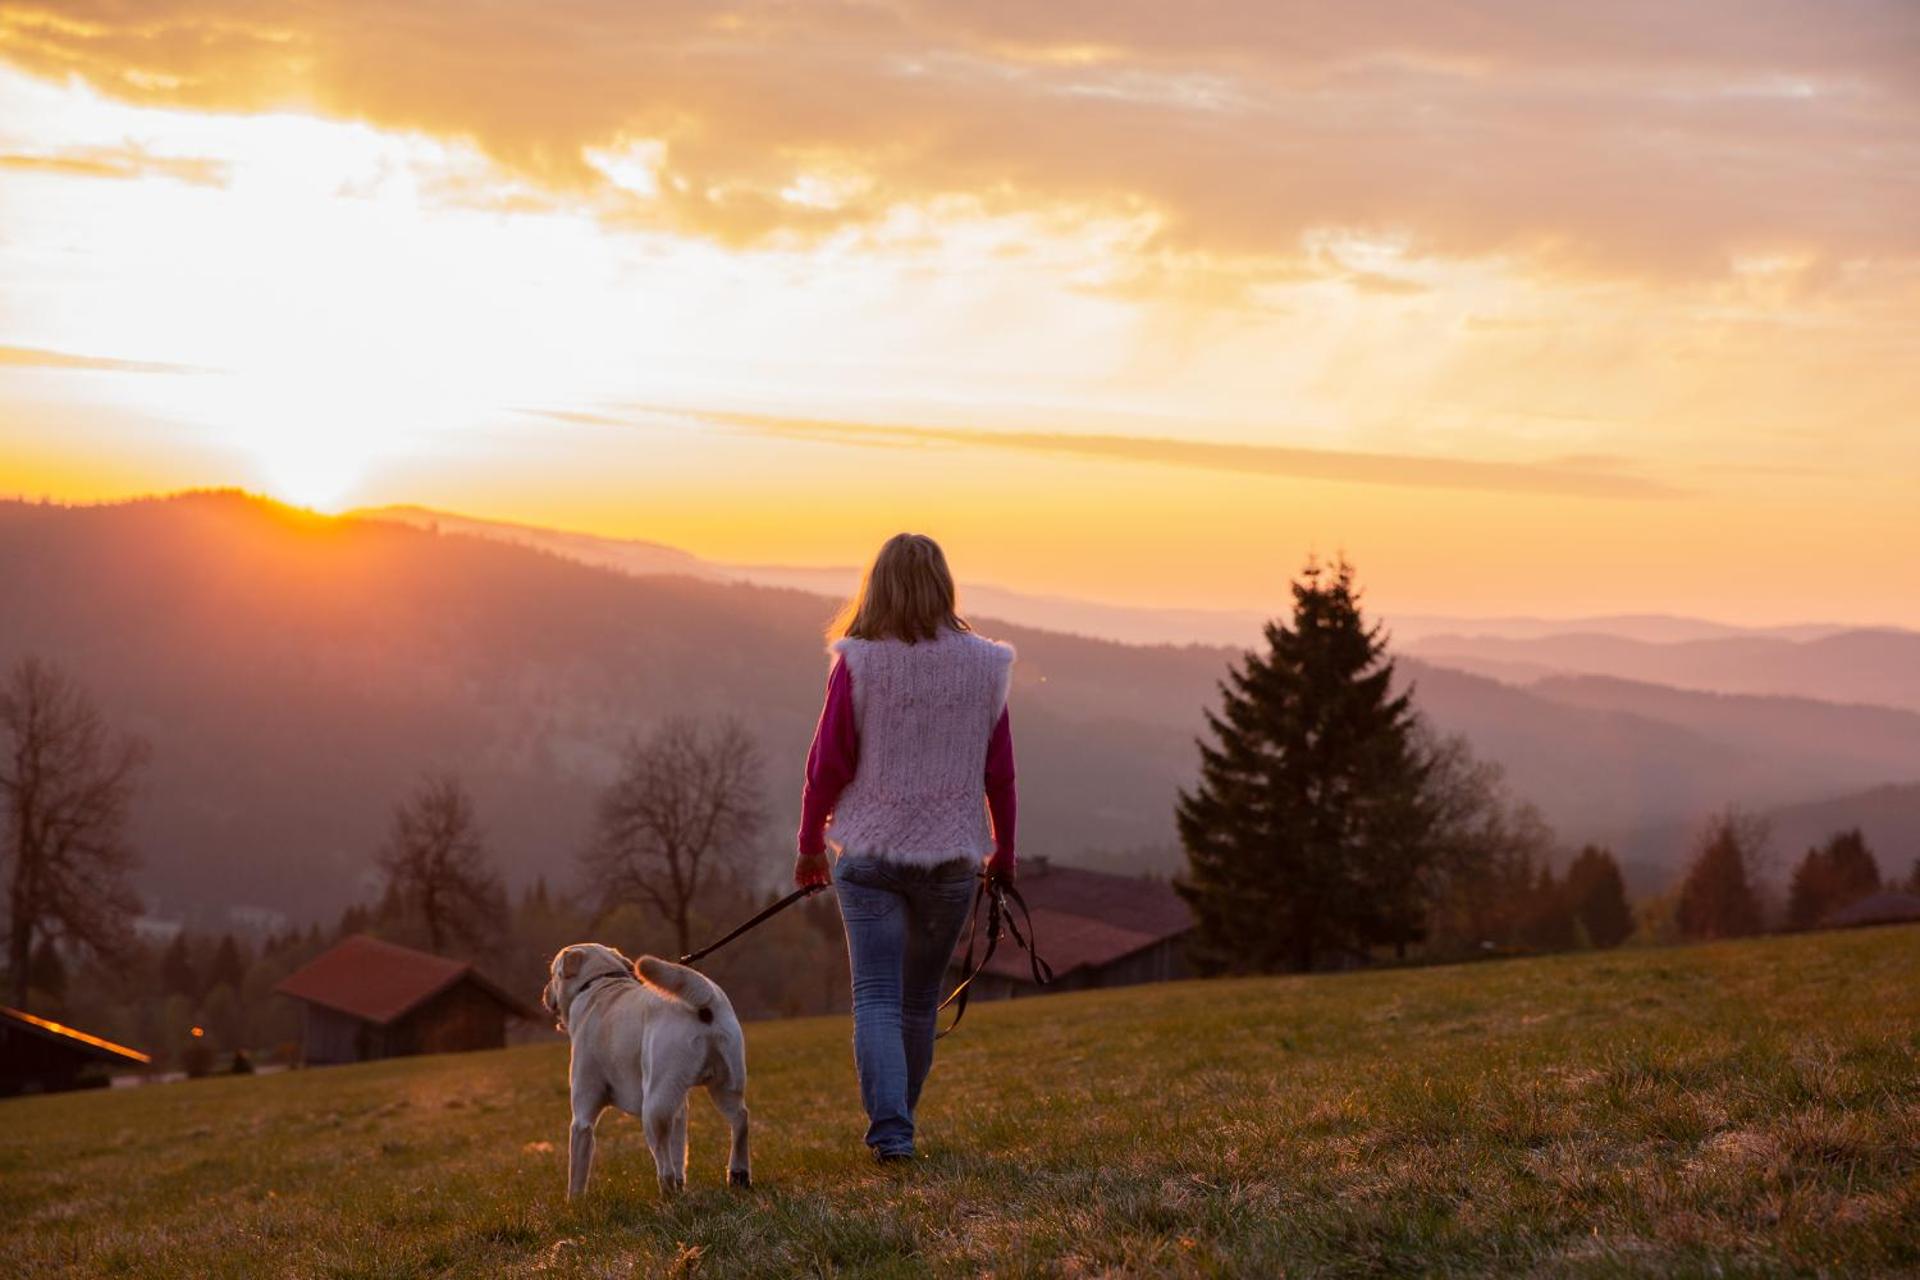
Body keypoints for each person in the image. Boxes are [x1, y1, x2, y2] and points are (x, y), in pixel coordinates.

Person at [795, 532, 1017, 1163]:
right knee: (919, 1000)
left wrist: (810, 844)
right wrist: (1005, 850)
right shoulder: (985, 664)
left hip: (870, 855)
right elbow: (999, 770)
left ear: (879, 586)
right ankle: (899, 1128)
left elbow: (827, 765)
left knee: (877, 998)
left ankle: (892, 1133)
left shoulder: (860, 660)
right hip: (951, 859)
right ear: (943, 585)